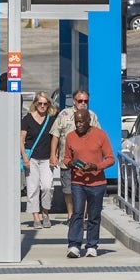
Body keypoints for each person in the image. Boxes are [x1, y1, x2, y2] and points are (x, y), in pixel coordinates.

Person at [63, 110, 114, 258]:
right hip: (78, 181)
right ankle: (74, 245)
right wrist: (71, 163)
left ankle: (92, 245)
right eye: (76, 122)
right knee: (77, 213)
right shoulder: (70, 137)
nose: (78, 125)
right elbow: (66, 158)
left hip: (97, 182)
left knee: (94, 215)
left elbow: (110, 158)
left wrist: (96, 167)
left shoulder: (100, 135)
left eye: (81, 122)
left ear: (88, 120)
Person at [49, 89, 99, 223]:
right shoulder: (63, 115)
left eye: (85, 101)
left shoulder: (92, 116)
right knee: (68, 190)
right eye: (80, 101)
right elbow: (55, 136)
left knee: (85, 189)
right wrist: (52, 155)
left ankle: (81, 216)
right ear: (74, 101)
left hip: (85, 162)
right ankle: (71, 215)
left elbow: (98, 136)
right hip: (67, 161)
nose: (83, 103)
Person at [20, 92, 57, 229]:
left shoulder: (51, 119)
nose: (42, 106)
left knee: (47, 186)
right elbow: (21, 139)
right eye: (40, 103)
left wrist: (55, 155)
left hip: (47, 158)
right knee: (32, 188)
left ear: (48, 105)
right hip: (32, 158)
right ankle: (36, 216)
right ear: (35, 104)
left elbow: (55, 138)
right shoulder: (27, 119)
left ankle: (45, 213)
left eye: (45, 104)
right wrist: (24, 157)